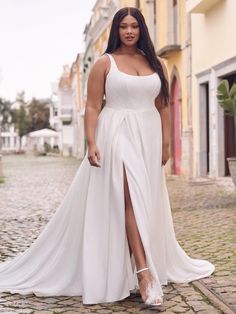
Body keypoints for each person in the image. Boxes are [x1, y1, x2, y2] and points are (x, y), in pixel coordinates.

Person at [0, 7, 214, 307]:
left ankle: (131, 266)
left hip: (148, 137)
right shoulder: (104, 63)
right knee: (129, 198)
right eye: (124, 26)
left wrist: (167, 143)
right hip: (116, 133)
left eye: (134, 26)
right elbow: (91, 107)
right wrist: (91, 142)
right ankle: (143, 273)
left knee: (144, 200)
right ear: (116, 30)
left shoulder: (156, 64)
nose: (129, 31)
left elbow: (164, 105)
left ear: (141, 30)